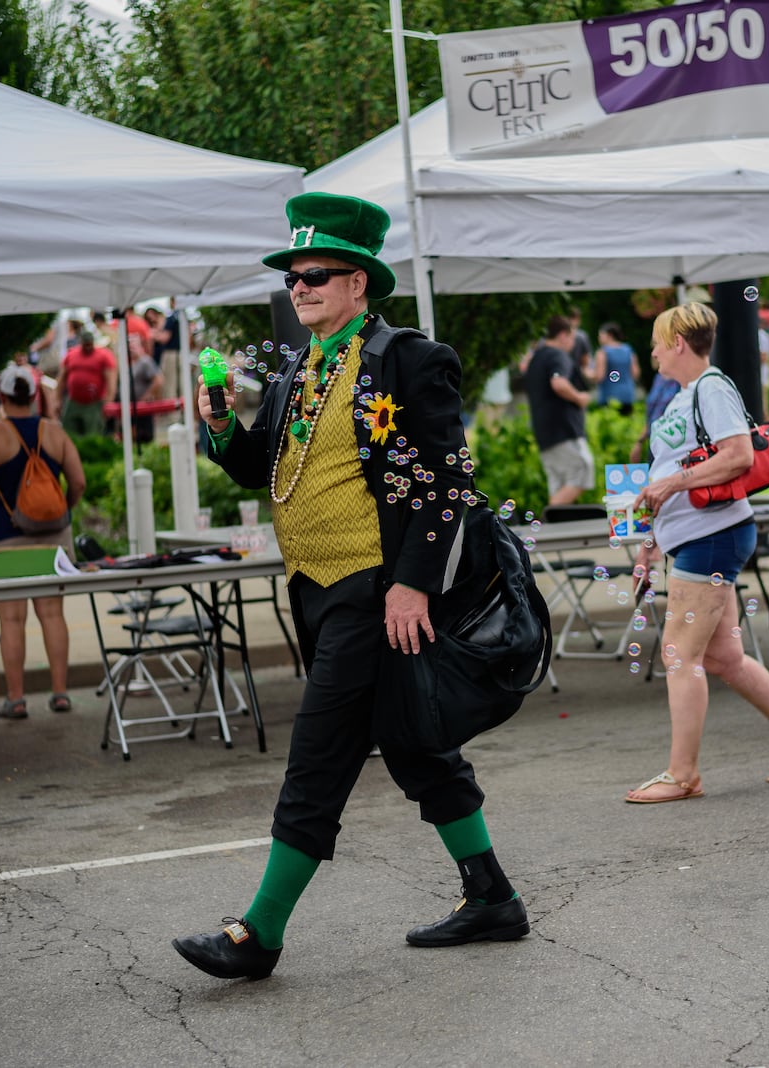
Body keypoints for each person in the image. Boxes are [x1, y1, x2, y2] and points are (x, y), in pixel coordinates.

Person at [174, 192, 528, 981]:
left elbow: (443, 480)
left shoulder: (407, 359)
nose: (299, 288)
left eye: (317, 275)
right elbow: (265, 466)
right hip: (316, 589)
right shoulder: (301, 366)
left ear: (359, 282)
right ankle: (493, 896)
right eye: (293, 277)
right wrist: (226, 425)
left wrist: (412, 586)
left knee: (319, 754)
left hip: (373, 589)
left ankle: (258, 933)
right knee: (415, 744)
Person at [626, 302, 769, 801]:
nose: (651, 352)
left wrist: (671, 485)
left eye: (656, 342)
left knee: (678, 654)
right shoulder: (687, 394)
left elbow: (736, 456)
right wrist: (649, 546)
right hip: (700, 536)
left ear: (677, 343)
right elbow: (665, 477)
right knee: (726, 658)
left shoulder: (711, 388)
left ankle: (683, 774)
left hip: (709, 537)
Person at [0, 366, 85, 719]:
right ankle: (59, 693)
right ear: (33, 396)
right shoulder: (54, 432)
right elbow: (79, 482)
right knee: (53, 614)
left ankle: (17, 698)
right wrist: (62, 512)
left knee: (11, 620)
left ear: (4, 397)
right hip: (52, 539)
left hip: (2, 536)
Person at [524, 315, 594, 506]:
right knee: (583, 470)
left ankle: (554, 525)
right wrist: (580, 398)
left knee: (558, 483)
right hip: (564, 430)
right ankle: (548, 519)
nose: (572, 344)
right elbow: (559, 383)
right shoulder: (557, 355)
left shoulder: (536, 357)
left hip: (545, 432)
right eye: (572, 338)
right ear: (563, 335)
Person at [55, 330, 117, 438]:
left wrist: (108, 403)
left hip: (94, 403)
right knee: (69, 434)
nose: (88, 347)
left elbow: (111, 381)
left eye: (90, 344)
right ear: (81, 342)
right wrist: (57, 399)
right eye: (85, 344)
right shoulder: (72, 354)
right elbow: (61, 378)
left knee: (92, 436)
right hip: (73, 401)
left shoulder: (104, 355)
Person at [592, 321, 637, 415]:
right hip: (627, 395)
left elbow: (600, 376)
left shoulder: (602, 352)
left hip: (609, 397)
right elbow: (635, 373)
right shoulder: (628, 349)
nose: (599, 338)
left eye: (601, 335)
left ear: (609, 335)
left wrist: (586, 373)